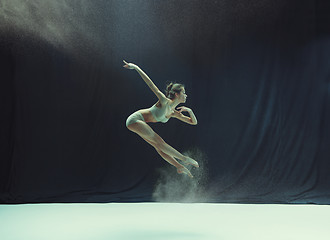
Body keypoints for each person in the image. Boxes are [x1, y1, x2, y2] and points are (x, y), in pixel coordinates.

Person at [123, 60, 199, 178]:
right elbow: (150, 84)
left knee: (158, 147)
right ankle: (184, 159)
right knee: (159, 141)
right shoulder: (164, 102)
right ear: (177, 95)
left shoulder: (174, 113)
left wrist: (190, 111)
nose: (186, 95)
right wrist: (136, 67)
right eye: (184, 92)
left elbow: (193, 122)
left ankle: (178, 166)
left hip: (139, 123)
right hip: (134, 119)